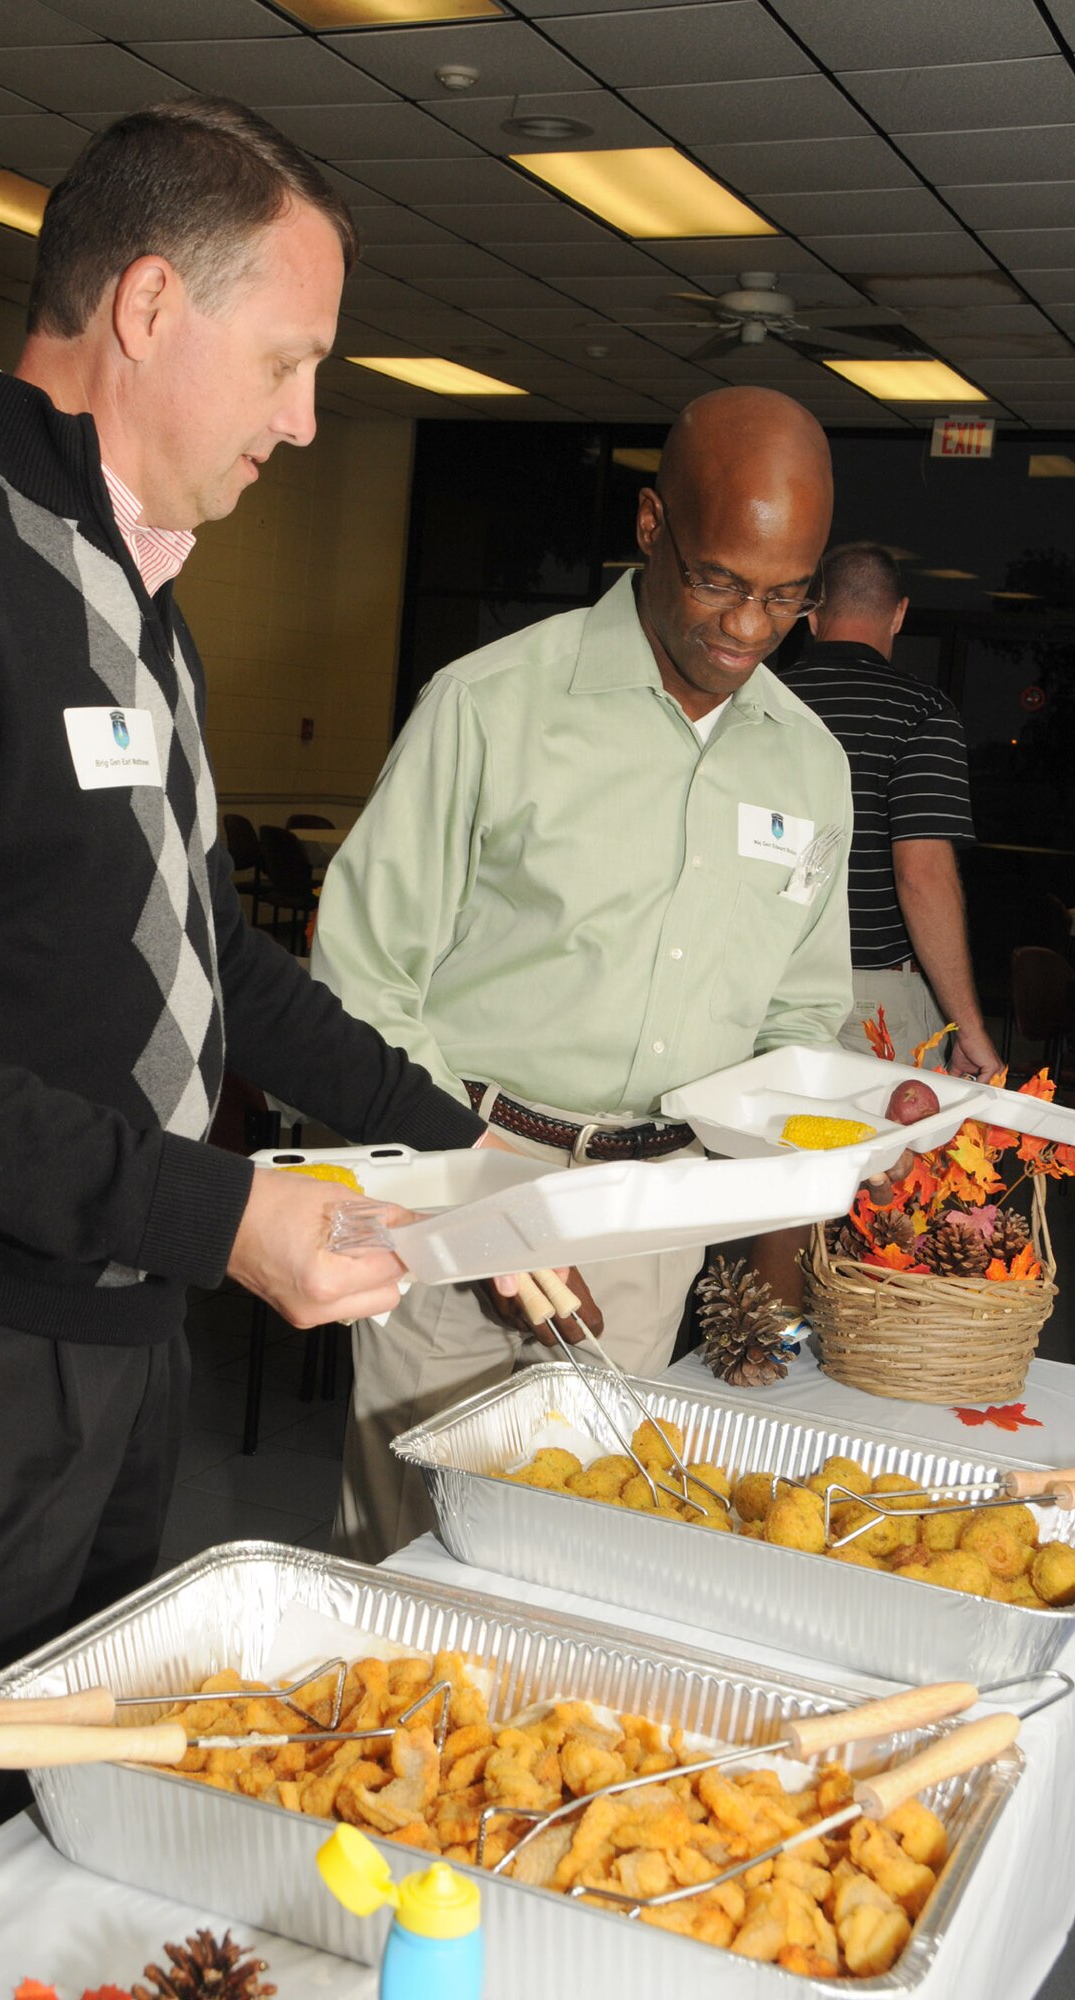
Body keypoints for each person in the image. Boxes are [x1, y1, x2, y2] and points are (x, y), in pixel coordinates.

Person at [0, 97, 488, 1846]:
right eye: (289, 362)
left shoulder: (130, 587)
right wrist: (211, 1208)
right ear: (151, 310)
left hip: (104, 1336)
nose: (305, 420)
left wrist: (459, 1143)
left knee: (31, 1836)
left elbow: (201, 951)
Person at [312, 385, 855, 1564]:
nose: (748, 628)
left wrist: (827, 1149)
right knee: (409, 1561)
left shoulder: (811, 765)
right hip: (455, 1190)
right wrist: (478, 1194)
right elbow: (358, 983)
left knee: (590, 1565)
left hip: (648, 1230)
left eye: (784, 596)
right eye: (719, 579)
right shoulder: (491, 705)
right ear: (653, 528)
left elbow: (805, 1016)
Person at [782, 543, 1000, 1079]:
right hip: (871, 1000)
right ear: (898, 613)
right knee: (887, 1162)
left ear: (811, 614)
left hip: (759, 984)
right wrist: (968, 1028)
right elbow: (922, 876)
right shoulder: (921, 713)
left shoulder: (765, 700)